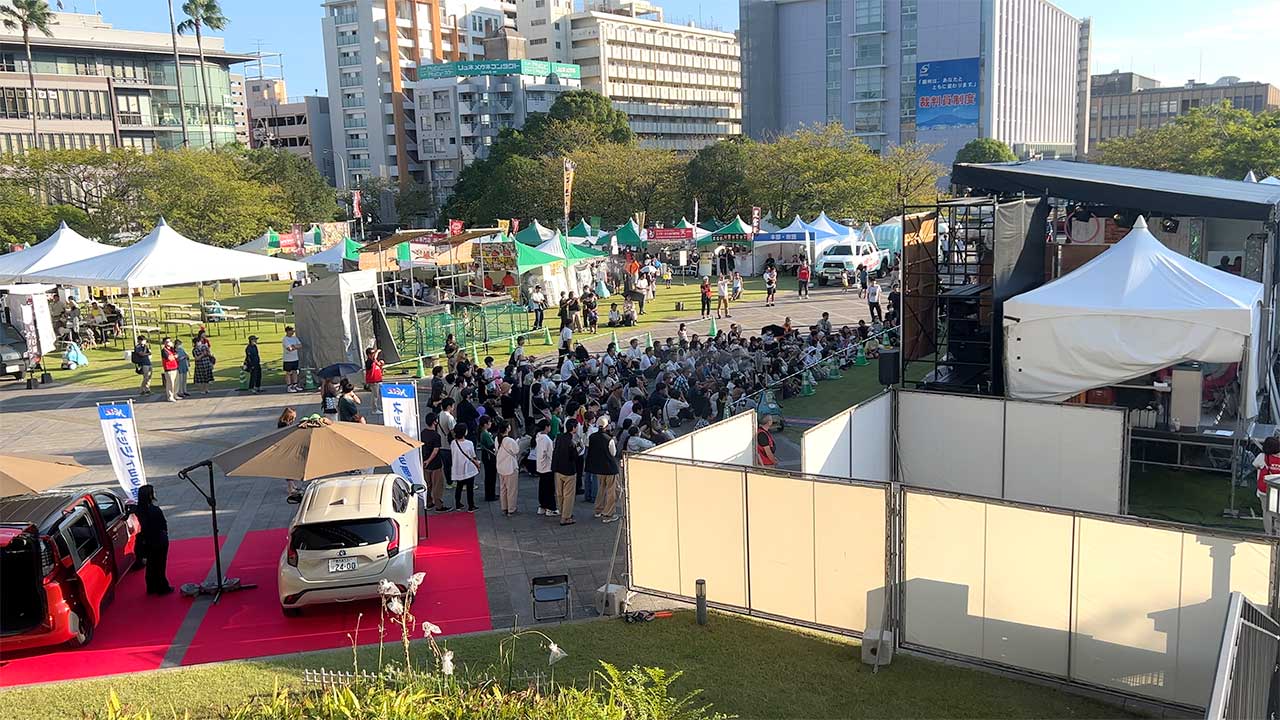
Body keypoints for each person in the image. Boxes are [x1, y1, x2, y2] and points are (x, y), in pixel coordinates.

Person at [133, 485, 172, 595]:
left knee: (150, 564)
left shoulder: (138, 510)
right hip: (159, 540)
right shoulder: (155, 510)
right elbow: (163, 524)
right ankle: (162, 587)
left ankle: (151, 587)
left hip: (147, 541)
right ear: (150, 496)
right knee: (160, 564)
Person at [586, 416, 621, 523]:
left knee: (601, 489)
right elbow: (613, 453)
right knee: (611, 491)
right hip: (610, 467)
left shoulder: (592, 437)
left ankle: (598, 509)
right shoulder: (609, 439)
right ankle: (608, 514)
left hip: (598, 467)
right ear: (606, 426)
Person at [552, 418, 579, 525]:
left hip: (558, 469)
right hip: (569, 470)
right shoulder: (572, 441)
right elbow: (574, 456)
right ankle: (566, 517)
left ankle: (562, 511)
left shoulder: (559, 437)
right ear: (573, 428)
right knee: (568, 495)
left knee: (559, 493)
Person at [420, 412, 448, 511]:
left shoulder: (422, 433)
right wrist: (429, 460)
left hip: (424, 464)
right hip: (435, 464)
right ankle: (439, 505)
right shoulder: (436, 436)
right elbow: (436, 450)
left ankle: (428, 502)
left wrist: (425, 461)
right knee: (437, 485)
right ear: (434, 422)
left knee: (428, 484)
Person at [450, 425, 480, 512]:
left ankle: (458, 504)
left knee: (459, 486)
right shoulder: (469, 443)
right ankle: (471, 505)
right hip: (468, 468)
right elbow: (473, 455)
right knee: (470, 488)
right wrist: (477, 463)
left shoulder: (453, 443)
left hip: (457, 468)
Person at [495, 420, 521, 516]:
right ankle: (511, 508)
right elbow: (516, 450)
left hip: (501, 467)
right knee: (511, 489)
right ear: (507, 429)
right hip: (510, 467)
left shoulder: (497, 439)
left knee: (503, 488)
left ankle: (504, 507)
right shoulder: (510, 441)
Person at [277, 408, 303, 500]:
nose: (295, 418)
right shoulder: (283, 424)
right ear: (289, 416)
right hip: (285, 448)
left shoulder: (286, 423)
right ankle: (290, 488)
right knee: (288, 468)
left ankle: (292, 486)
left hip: (287, 447)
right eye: (293, 416)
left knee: (290, 468)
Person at [533, 418, 555, 516]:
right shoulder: (546, 439)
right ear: (546, 427)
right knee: (549, 489)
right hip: (548, 466)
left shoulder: (538, 437)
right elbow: (550, 454)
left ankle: (542, 506)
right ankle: (550, 508)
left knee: (542, 487)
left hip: (540, 466)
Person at [477, 415, 497, 502]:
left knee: (489, 476)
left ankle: (491, 494)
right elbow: (491, 445)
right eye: (489, 422)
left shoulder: (483, 432)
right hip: (489, 456)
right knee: (491, 476)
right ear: (485, 424)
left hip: (486, 456)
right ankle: (490, 495)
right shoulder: (485, 434)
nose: (491, 423)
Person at [281, 326, 303, 392]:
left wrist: (294, 346)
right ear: (287, 331)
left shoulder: (295, 338)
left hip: (295, 358)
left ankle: (295, 385)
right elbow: (289, 349)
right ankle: (289, 386)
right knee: (288, 372)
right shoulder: (285, 339)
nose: (293, 332)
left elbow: (300, 345)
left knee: (295, 371)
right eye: (292, 331)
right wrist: (295, 347)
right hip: (288, 359)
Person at [364, 346, 384, 413]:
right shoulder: (369, 362)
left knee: (380, 395)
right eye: (372, 353)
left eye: (374, 353)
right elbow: (374, 358)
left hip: (378, 380)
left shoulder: (374, 361)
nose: (373, 354)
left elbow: (379, 367)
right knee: (375, 396)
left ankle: (380, 407)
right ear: (368, 355)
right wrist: (377, 352)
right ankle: (374, 410)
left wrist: (381, 364)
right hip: (373, 381)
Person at [159, 337, 179, 402]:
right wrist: (174, 356)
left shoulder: (172, 349)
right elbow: (169, 358)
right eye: (167, 342)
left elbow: (177, 355)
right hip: (169, 369)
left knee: (176, 382)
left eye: (170, 341)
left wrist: (174, 353)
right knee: (170, 383)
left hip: (175, 367)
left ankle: (175, 394)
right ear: (164, 343)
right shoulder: (164, 350)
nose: (169, 343)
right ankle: (170, 396)